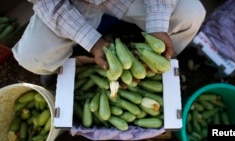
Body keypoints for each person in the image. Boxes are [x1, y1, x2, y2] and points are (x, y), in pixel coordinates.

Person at [12, 0, 206, 85]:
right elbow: (48, 3)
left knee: (191, 14)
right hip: (73, 4)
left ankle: (158, 58)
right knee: (31, 56)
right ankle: (70, 66)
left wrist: (158, 24)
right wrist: (93, 43)